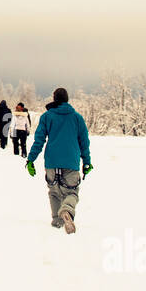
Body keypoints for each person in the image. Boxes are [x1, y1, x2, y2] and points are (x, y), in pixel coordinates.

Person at [24, 87, 93, 234]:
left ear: (54, 99)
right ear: (67, 99)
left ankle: (57, 221)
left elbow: (39, 140)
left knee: (54, 192)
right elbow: (84, 142)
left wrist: (31, 159)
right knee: (72, 192)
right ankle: (67, 210)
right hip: (71, 163)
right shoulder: (77, 118)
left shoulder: (47, 116)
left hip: (52, 162)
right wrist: (86, 162)